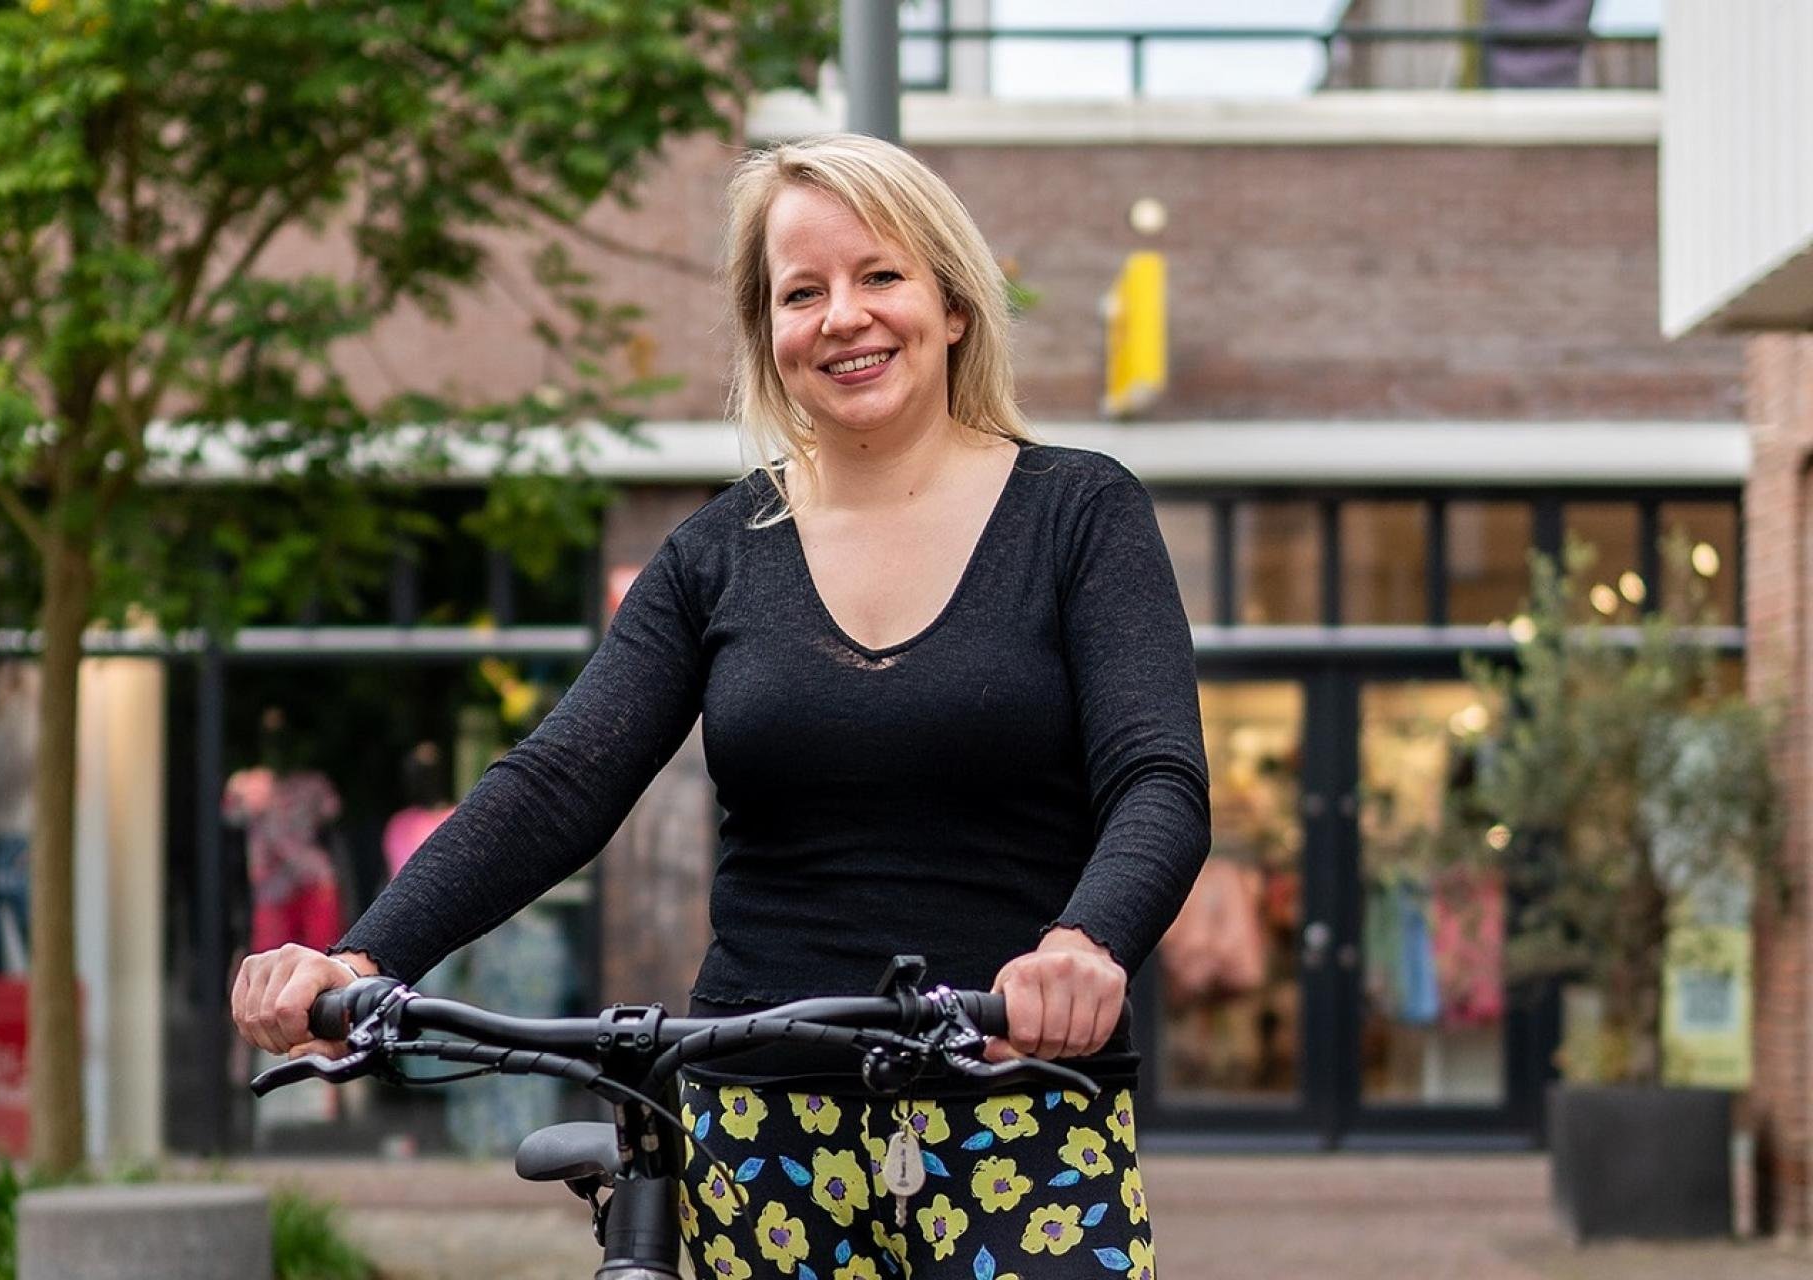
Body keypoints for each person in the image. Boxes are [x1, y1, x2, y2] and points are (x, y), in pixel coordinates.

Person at [232, 133, 1209, 1279]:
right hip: (765, 1124)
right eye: (802, 292)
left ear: (952, 305)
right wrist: (360, 959)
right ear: (770, 336)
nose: (843, 316)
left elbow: (1158, 777)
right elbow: (561, 778)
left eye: (880, 275)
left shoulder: (1079, 513)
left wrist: (1083, 945)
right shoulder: (717, 552)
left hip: (1023, 1103)